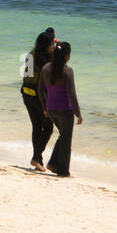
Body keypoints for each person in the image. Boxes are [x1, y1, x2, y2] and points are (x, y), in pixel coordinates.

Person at [39, 42, 82, 177]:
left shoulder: (45, 68)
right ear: (67, 56)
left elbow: (40, 90)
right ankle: (63, 170)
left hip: (51, 109)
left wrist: (44, 106)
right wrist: (78, 113)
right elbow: (72, 94)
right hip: (65, 110)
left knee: (63, 135)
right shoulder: (67, 71)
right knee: (66, 139)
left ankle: (53, 163)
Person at [22, 31, 56, 171]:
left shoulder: (31, 55)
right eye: (52, 44)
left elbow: (27, 75)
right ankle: (36, 157)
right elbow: (48, 82)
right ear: (48, 45)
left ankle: (38, 161)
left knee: (36, 126)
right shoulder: (49, 59)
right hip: (40, 96)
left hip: (26, 93)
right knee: (48, 128)